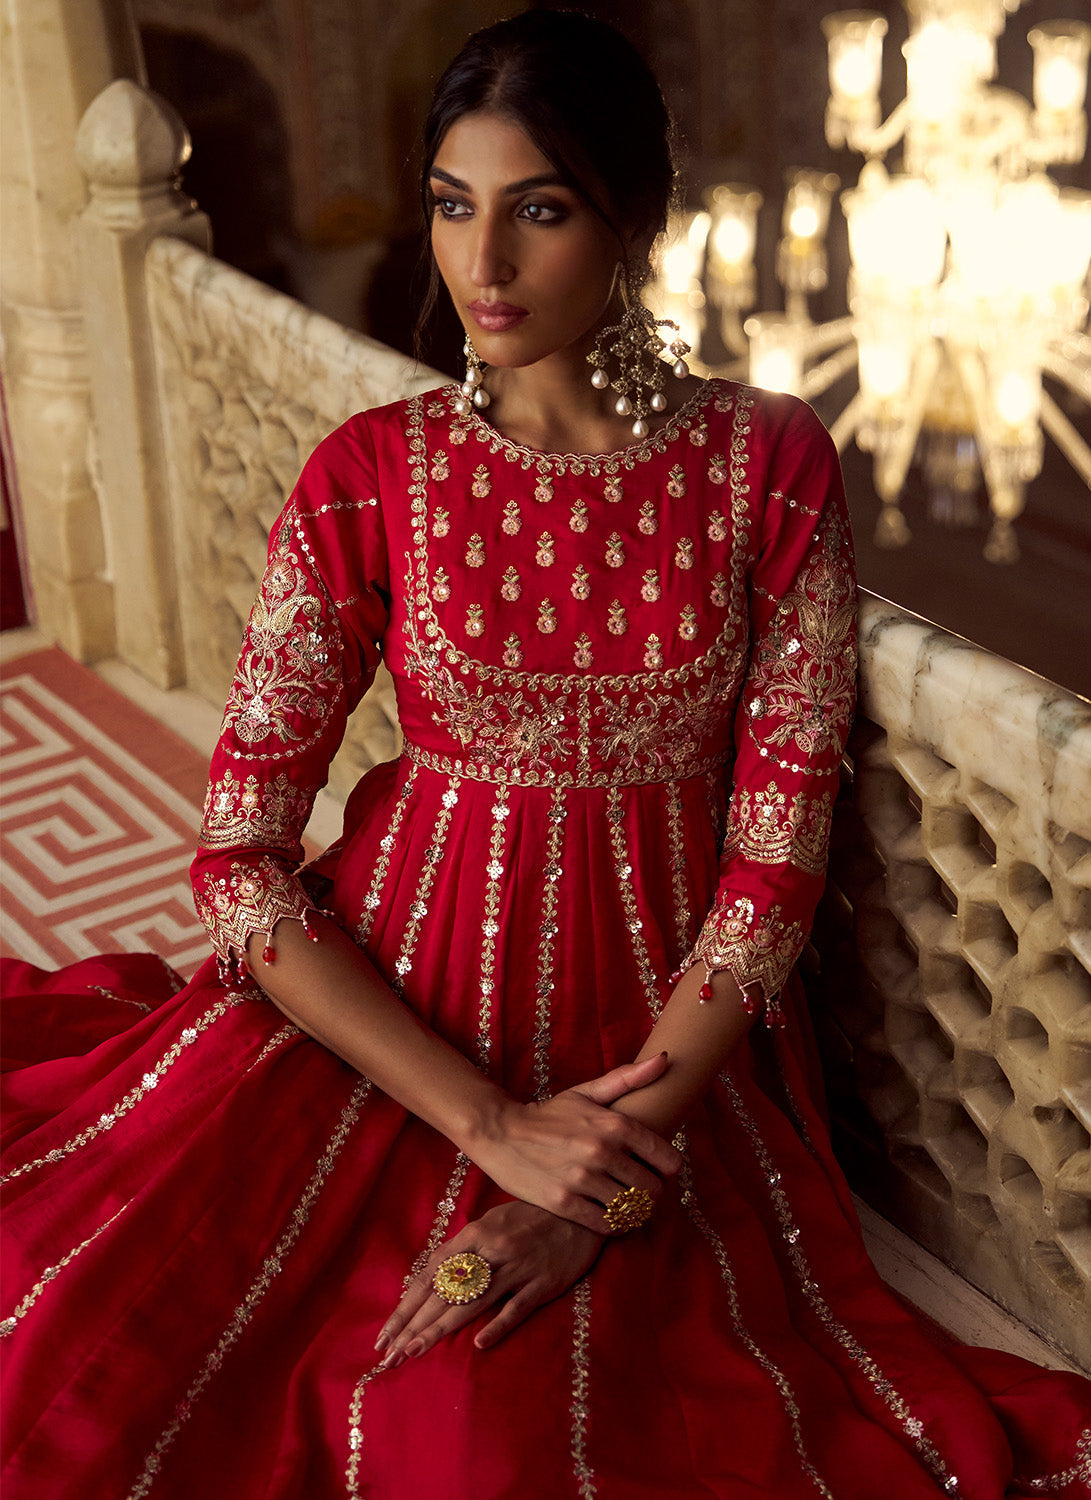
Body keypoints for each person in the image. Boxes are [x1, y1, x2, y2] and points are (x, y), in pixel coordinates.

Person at [2, 10, 1088, 1498]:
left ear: (634, 221)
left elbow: (774, 865)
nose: (482, 266)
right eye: (453, 205)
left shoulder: (765, 466)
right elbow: (239, 860)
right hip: (391, 1026)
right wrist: (495, 1130)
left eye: (541, 209)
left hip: (663, 1049)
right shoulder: (369, 478)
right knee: (100, 1354)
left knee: (495, 1425)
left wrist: (603, 1166)